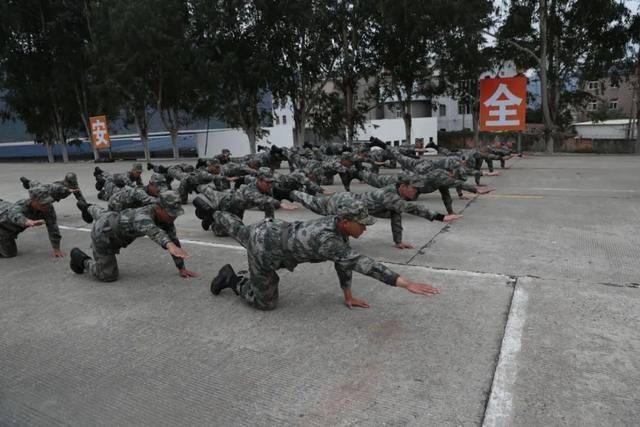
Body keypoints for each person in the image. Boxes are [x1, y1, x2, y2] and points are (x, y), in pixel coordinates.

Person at [210, 194, 441, 311]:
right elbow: (362, 263)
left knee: (239, 230)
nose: (365, 227)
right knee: (266, 304)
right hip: (265, 247)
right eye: (361, 224)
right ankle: (232, 279)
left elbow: (343, 261)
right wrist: (405, 283)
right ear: (345, 222)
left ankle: (218, 213)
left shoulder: (337, 226)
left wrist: (347, 295)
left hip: (271, 227)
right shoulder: (327, 240)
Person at [291, 176, 461, 249]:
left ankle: (291, 193)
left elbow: (396, 215)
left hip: (353, 205)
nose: (417, 192)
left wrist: (398, 241)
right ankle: (289, 192)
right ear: (403, 187)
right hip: (342, 203)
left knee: (313, 203)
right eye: (414, 189)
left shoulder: (395, 197)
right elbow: (412, 209)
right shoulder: (390, 196)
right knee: (312, 203)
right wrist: (440, 217)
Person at [70, 191, 198, 282]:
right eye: (171, 214)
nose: (173, 217)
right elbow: (154, 231)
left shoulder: (166, 220)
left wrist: (181, 268)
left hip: (112, 218)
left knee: (104, 215)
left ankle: (89, 207)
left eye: (175, 214)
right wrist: (168, 245)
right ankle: (80, 259)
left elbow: (173, 241)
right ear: (159, 208)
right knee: (108, 276)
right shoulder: (143, 216)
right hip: (104, 235)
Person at [192, 168, 296, 235]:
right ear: (259, 181)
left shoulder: (268, 189)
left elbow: (268, 205)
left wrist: (269, 226)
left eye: (272, 182)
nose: (270, 185)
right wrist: (280, 203)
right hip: (226, 204)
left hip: (239, 208)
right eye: (267, 182)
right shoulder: (250, 190)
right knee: (221, 233)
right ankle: (211, 216)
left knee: (235, 229)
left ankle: (214, 215)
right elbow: (261, 199)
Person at [0, 185, 63, 258]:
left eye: (47, 202)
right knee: (9, 254)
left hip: (8, 230)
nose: (46, 205)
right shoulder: (21, 205)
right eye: (42, 203)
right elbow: (13, 214)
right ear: (33, 201)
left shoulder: (47, 207)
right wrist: (26, 221)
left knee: (10, 252)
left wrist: (56, 248)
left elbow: (52, 227)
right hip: (2, 224)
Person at [20, 172, 86, 203]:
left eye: (74, 182)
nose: (73, 184)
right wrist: (68, 190)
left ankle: (29, 183)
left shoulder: (74, 185)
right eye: (70, 182)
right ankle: (28, 182)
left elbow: (79, 196)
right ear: (66, 180)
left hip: (54, 197)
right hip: (48, 191)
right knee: (37, 187)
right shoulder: (60, 184)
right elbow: (59, 188)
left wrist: (84, 205)